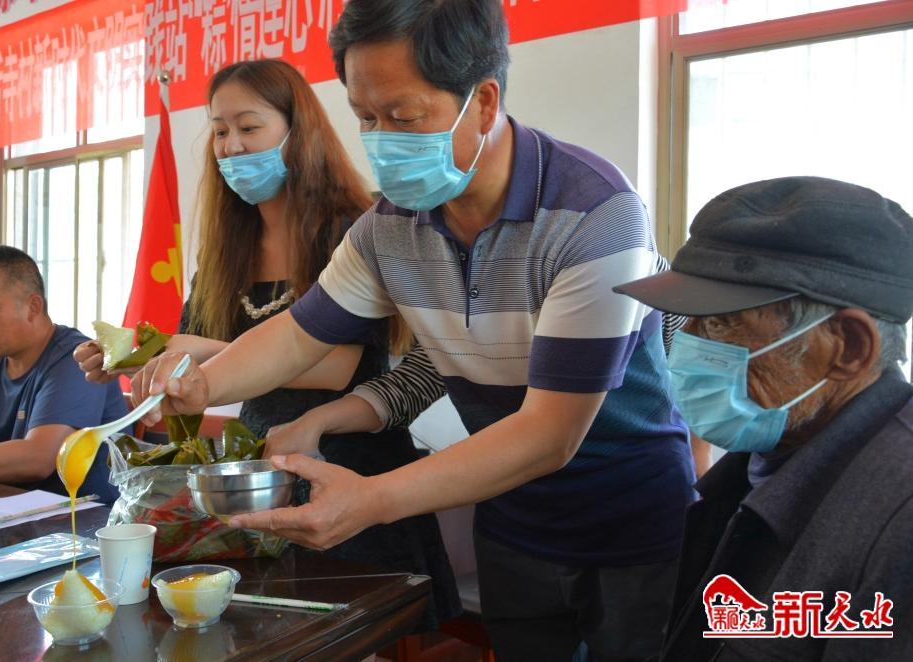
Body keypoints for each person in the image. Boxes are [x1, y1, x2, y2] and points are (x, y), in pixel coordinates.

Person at [131, 2, 696, 660]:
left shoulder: (594, 213)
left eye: (402, 117)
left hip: (630, 522)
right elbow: (298, 335)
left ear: (483, 102)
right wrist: (203, 384)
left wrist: (372, 499)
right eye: (365, 118)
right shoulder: (390, 226)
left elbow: (550, 433)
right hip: (510, 516)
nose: (381, 142)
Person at [75, 59, 459, 628]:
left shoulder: (351, 232)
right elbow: (194, 366)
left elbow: (335, 367)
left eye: (249, 127)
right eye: (220, 131)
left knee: (344, 635)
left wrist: (195, 350)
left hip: (351, 464)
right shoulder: (225, 249)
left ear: (297, 131)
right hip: (255, 472)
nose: (231, 147)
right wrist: (137, 358)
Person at [613, 176, 913, 661]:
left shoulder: (898, 521)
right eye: (689, 321)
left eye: (721, 324)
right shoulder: (766, 455)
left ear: (849, 347)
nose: (686, 347)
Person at [0, 245, 124, 503]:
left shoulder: (79, 360)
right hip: (3, 515)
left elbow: (39, 458)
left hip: (86, 520)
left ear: (33, 306)